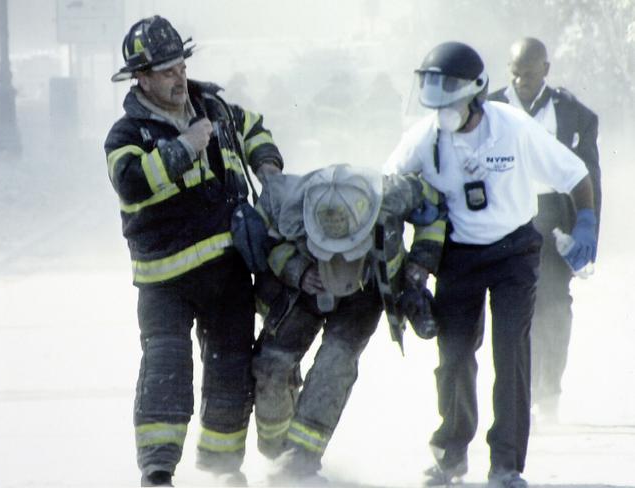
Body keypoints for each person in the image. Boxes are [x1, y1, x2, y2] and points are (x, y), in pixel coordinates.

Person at [385, 42, 597, 488]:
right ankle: (451, 452)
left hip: (515, 252)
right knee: (456, 356)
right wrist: (402, 267)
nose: (446, 116)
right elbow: (385, 190)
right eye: (438, 107)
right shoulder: (425, 137)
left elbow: (576, 174)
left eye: (454, 106)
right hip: (459, 256)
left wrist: (587, 226)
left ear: (476, 95)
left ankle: (505, 465)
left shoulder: (512, 127)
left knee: (511, 354)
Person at [104, 16, 283, 487]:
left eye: (180, 66)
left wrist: (267, 166)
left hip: (227, 273)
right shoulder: (126, 136)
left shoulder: (214, 107)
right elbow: (133, 184)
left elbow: (253, 128)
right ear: (142, 78)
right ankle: (158, 473)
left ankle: (222, 469)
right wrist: (184, 148)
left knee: (230, 372)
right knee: (167, 370)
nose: (178, 77)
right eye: (166, 71)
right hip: (166, 281)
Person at [251, 164, 445, 485]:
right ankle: (275, 453)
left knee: (335, 363)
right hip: (306, 286)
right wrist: (297, 269)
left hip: (365, 292)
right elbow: (265, 238)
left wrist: (421, 261)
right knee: (272, 365)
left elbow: (435, 206)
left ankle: (300, 463)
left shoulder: (393, 194)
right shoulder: (288, 202)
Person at [488, 37, 601, 424]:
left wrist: (588, 228)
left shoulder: (572, 113)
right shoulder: (489, 108)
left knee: (554, 304)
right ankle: (518, 394)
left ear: (546, 71)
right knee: (516, 306)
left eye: (530, 74)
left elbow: (589, 177)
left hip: (552, 214)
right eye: (515, 73)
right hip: (504, 214)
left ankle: (549, 392)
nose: (521, 81)